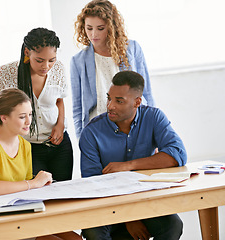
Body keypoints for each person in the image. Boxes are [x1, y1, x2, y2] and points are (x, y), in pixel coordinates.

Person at [79, 71, 187, 240]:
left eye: (119, 101)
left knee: (173, 225)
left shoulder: (154, 117)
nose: (110, 106)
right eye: (109, 98)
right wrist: (128, 217)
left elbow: (177, 155)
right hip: (107, 206)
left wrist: (128, 166)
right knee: (93, 233)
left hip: (144, 201)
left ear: (137, 102)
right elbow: (93, 184)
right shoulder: (91, 133)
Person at [0, 88, 82, 240]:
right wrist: (33, 183)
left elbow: (26, 192)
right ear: (4, 118)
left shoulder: (25, 145)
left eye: (30, 115)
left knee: (76, 239)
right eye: (22, 117)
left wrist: (41, 185)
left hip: (20, 214)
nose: (29, 121)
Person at [0, 28, 73, 181]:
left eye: (51, 60)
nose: (46, 66)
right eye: (40, 60)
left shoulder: (59, 69)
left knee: (64, 193)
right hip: (26, 147)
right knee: (37, 195)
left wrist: (60, 125)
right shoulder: (5, 73)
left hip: (59, 144)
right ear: (27, 52)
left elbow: (59, 100)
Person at [71, 0, 155, 138]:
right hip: (100, 129)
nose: (93, 34)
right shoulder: (78, 61)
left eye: (100, 28)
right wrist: (81, 139)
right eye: (89, 28)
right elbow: (78, 108)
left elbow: (147, 93)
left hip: (134, 124)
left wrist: (154, 131)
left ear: (111, 27)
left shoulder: (132, 49)